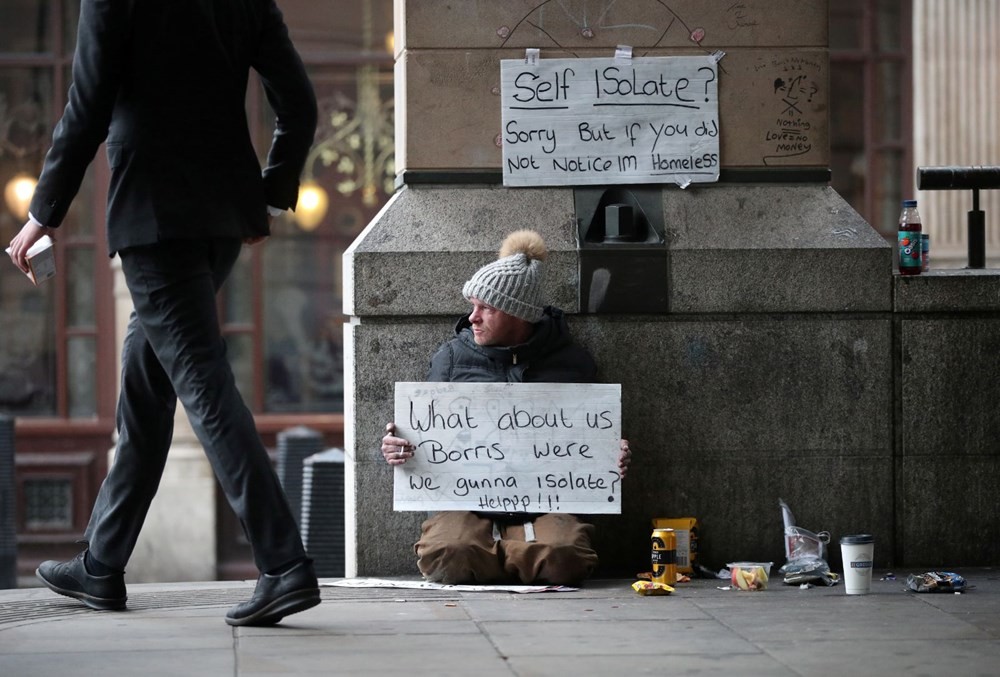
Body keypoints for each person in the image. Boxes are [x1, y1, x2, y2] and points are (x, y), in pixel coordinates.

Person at [6, 0, 320, 626]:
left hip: (153, 217)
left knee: (203, 387)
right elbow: (300, 104)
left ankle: (284, 564)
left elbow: (86, 106)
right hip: (221, 219)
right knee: (146, 392)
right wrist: (270, 196)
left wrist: (43, 213)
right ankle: (101, 562)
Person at [381, 229, 632, 586]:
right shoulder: (451, 358)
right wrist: (396, 446)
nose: (472, 317)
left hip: (547, 502)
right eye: (473, 306)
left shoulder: (572, 362)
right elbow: (422, 433)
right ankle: (520, 558)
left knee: (565, 558)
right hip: (467, 501)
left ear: (517, 314)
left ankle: (495, 556)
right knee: (445, 555)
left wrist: (611, 453)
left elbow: (591, 435)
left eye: (486, 308)